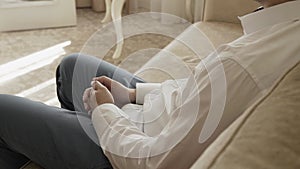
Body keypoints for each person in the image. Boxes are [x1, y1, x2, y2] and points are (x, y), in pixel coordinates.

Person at [0, 0, 299, 169]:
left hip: (132, 155)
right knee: (73, 67)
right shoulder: (279, 30)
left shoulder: (246, 64)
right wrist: (133, 94)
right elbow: (204, 92)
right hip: (160, 119)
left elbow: (154, 162)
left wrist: (106, 112)